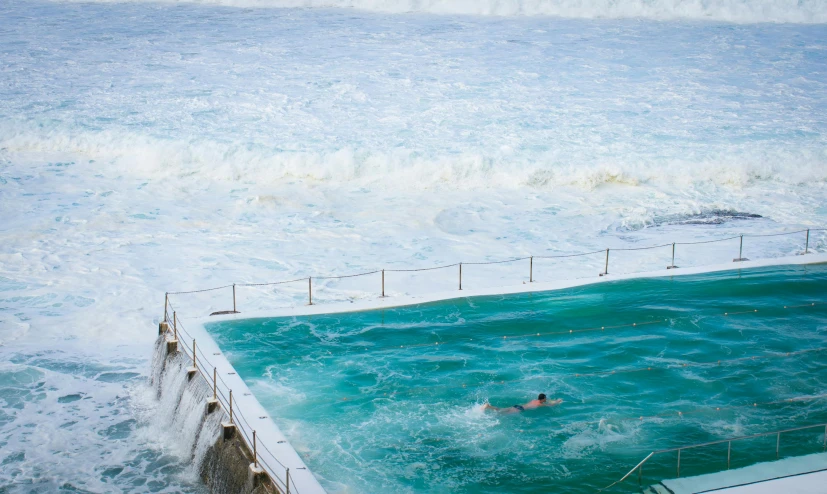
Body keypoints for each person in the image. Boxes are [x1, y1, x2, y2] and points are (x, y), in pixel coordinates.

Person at [482, 393, 563, 414]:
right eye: (545, 398)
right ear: (543, 399)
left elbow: (547, 401)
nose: (546, 399)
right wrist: (558, 401)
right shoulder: (539, 404)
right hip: (520, 409)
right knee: (501, 414)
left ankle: (488, 406)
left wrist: (551, 400)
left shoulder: (534, 400)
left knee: (501, 410)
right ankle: (488, 407)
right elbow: (550, 405)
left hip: (518, 406)